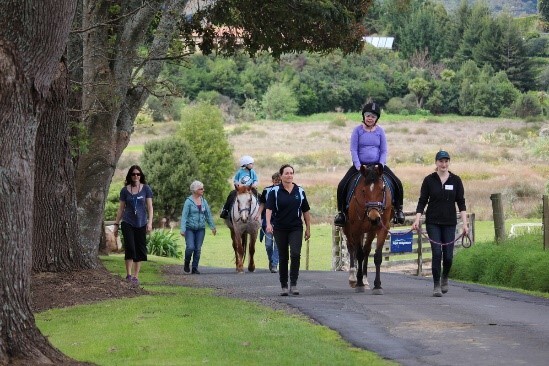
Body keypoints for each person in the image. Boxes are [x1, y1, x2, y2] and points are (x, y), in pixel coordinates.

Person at [334, 102, 405, 227]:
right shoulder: (357, 131)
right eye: (368, 115)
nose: (370, 118)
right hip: (361, 167)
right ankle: (341, 213)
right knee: (342, 184)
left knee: (397, 182)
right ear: (364, 116)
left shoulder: (380, 131)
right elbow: (353, 149)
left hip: (377, 166)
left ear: (376, 118)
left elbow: (383, 150)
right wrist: (358, 165)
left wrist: (381, 165)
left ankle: (399, 211)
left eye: (373, 116)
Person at [412, 150, 468, 297]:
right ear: (436, 163)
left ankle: (445, 277)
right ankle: (436, 285)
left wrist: (465, 224)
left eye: (446, 161)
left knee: (448, 256)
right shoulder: (429, 180)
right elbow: (422, 201)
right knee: (437, 253)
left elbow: (461, 203)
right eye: (441, 161)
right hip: (433, 222)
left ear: (449, 163)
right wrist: (417, 219)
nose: (443, 164)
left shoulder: (456, 180)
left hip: (449, 223)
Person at [266, 164, 311, 296]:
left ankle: (294, 284)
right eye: (286, 173)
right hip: (280, 228)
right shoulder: (274, 191)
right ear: (281, 176)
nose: (289, 175)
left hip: (296, 227)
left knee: (295, 254)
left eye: (291, 173)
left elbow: (306, 211)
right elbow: (269, 208)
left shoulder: (300, 191)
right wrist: (268, 223)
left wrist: (308, 228)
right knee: (283, 256)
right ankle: (284, 285)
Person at [114, 165, 154, 286]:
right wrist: (116, 224)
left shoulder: (146, 189)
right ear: (130, 176)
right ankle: (128, 275)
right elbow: (121, 209)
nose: (136, 176)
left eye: (138, 174)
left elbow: (150, 207)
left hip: (141, 223)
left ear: (140, 176)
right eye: (133, 174)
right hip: (128, 222)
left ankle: (136, 276)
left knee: (139, 250)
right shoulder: (125, 190)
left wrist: (150, 222)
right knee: (130, 248)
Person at [180, 180, 217, 274]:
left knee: (198, 249)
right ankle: (186, 262)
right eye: (201, 189)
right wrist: (182, 229)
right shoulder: (188, 202)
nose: (203, 190)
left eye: (203, 188)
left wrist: (212, 227)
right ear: (195, 190)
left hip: (201, 229)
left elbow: (208, 215)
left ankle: (195, 268)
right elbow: (184, 216)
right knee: (190, 247)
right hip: (189, 229)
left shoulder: (204, 201)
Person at [258, 172, 281, 273]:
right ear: (272, 181)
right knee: (268, 244)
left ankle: (275, 264)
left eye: (279, 181)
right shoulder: (266, 190)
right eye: (275, 181)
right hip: (268, 221)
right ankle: (271, 260)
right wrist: (258, 214)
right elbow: (263, 203)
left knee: (277, 244)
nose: (277, 183)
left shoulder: (284, 191)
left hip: (280, 221)